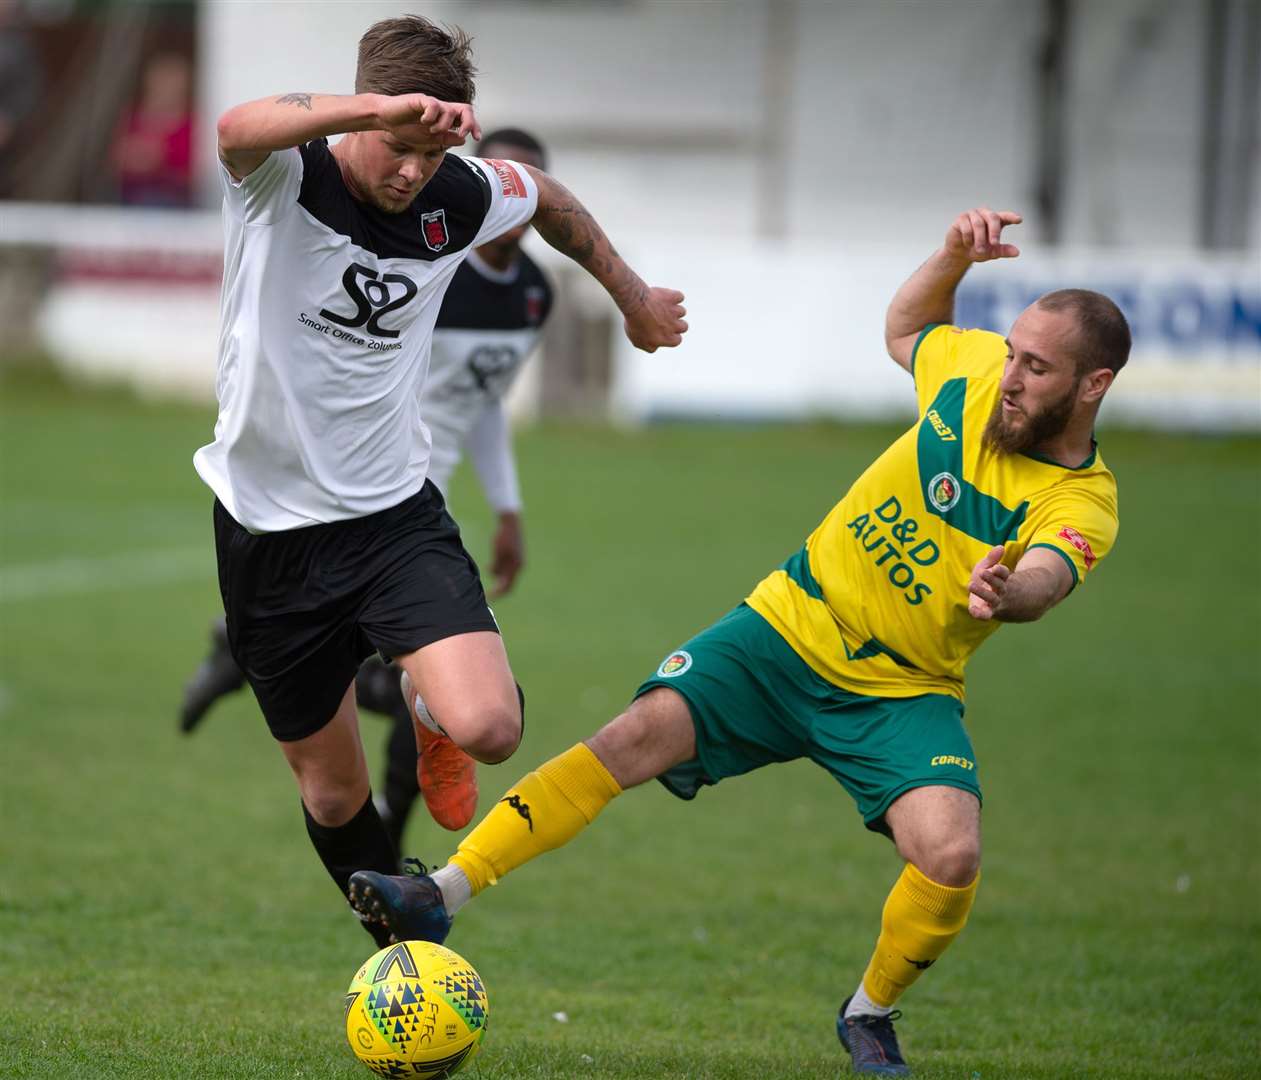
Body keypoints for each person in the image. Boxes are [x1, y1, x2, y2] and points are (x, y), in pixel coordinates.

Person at [348, 206, 1129, 1075]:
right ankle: (438, 894)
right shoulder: (977, 372)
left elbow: (1050, 577)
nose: (1011, 374)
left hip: (900, 689)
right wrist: (949, 258)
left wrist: (1007, 589)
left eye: (1036, 366)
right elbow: (909, 328)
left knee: (950, 854)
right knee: (627, 738)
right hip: (785, 626)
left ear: (1090, 385)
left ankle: (869, 1013)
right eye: (1013, 352)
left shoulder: (1084, 500)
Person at [198, 15, 686, 950]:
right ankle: (407, 958)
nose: (415, 171)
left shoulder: (459, 194)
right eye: (399, 146)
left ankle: (429, 711)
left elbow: (542, 195)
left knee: (492, 726)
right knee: (333, 790)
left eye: (432, 151)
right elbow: (234, 126)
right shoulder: (283, 179)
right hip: (265, 533)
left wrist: (630, 297)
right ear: (359, 115)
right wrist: (372, 108)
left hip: (392, 519)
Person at [180, 126, 555, 852]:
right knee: (391, 708)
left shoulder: (533, 294)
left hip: (408, 512)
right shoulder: (433, 259)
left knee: (476, 709)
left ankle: (398, 786)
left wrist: (507, 506)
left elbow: (482, 403)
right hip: (348, 499)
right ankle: (270, 671)